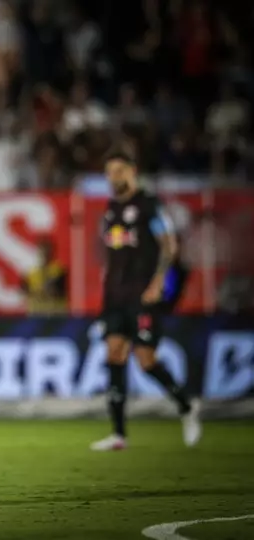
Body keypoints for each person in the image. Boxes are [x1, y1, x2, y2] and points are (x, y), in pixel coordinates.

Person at [90, 149, 201, 452]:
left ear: (132, 171)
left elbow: (169, 245)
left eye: (118, 171)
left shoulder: (149, 205)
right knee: (114, 355)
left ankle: (186, 405)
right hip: (114, 296)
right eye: (109, 173)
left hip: (142, 294)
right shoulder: (111, 209)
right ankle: (118, 434)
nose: (113, 178)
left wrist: (158, 282)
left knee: (145, 360)